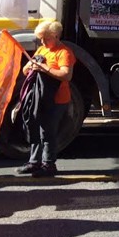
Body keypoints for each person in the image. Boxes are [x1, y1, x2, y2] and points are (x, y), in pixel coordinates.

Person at [14, 21, 75, 177]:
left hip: (57, 99)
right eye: (40, 38)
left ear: (55, 36)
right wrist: (31, 67)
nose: (42, 42)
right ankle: (34, 162)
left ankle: (49, 165)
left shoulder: (64, 53)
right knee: (35, 128)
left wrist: (44, 68)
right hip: (39, 98)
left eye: (45, 38)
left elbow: (66, 75)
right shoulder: (42, 49)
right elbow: (25, 69)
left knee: (47, 132)